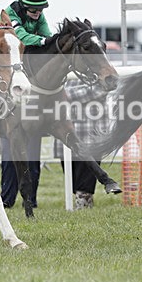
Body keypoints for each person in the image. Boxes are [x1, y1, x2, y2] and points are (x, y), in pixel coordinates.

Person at [0, 0, 53, 207]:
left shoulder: (39, 15)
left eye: (40, 10)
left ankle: (31, 199)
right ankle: (6, 200)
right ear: (23, 6)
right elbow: (21, 38)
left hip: (25, 76)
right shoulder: (10, 14)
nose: (37, 14)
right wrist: (43, 41)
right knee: (10, 150)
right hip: (6, 74)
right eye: (33, 10)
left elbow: (48, 36)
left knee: (32, 152)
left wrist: (48, 41)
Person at [53, 78, 110, 209]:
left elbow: (101, 88)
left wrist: (63, 95)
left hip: (90, 135)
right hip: (67, 135)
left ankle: (84, 203)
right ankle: (82, 201)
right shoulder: (65, 74)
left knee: (86, 177)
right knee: (71, 175)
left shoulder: (97, 71)